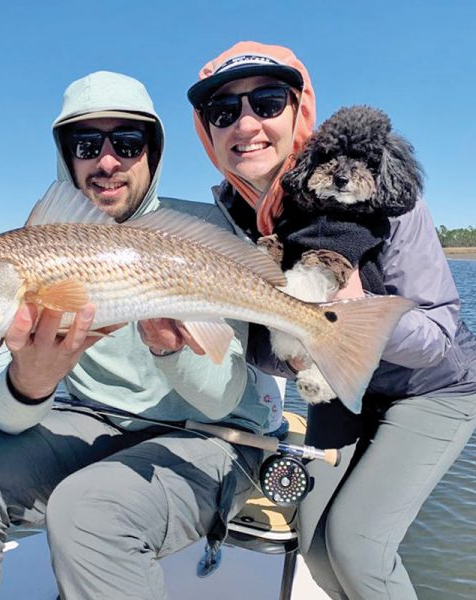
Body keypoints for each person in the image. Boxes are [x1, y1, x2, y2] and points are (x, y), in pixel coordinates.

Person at [0, 70, 273, 600]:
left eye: (128, 142)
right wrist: (32, 381)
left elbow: (224, 397)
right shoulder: (34, 249)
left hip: (218, 437)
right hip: (97, 427)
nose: (108, 161)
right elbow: (6, 414)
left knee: (90, 507)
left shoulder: (207, 233)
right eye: (86, 144)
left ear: (153, 153)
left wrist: (169, 349)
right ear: (66, 156)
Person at [187, 41, 476, 599]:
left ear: (299, 111)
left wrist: (354, 310)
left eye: (267, 101)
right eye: (223, 112)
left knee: (357, 543)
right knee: (313, 537)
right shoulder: (232, 220)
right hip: (339, 392)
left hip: (433, 388)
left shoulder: (385, 192)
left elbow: (440, 338)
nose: (245, 123)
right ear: (208, 133)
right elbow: (269, 355)